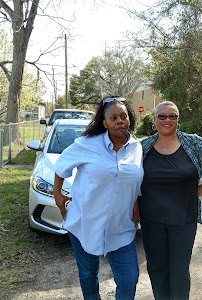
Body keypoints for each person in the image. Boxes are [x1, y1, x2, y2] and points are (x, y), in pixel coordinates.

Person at [138, 101, 202, 300]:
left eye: (172, 116)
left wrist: (200, 190)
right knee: (157, 268)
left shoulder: (193, 143)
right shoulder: (142, 147)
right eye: (162, 116)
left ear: (178, 120)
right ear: (154, 120)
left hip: (184, 219)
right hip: (151, 219)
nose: (167, 120)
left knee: (179, 271)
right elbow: (127, 177)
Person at [53, 96, 144, 300]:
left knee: (129, 279)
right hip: (84, 224)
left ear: (129, 118)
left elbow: (136, 185)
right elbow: (61, 166)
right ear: (104, 123)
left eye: (123, 116)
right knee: (88, 275)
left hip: (121, 228)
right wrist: (57, 195)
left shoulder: (138, 149)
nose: (119, 121)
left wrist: (136, 211)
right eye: (113, 118)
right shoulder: (87, 144)